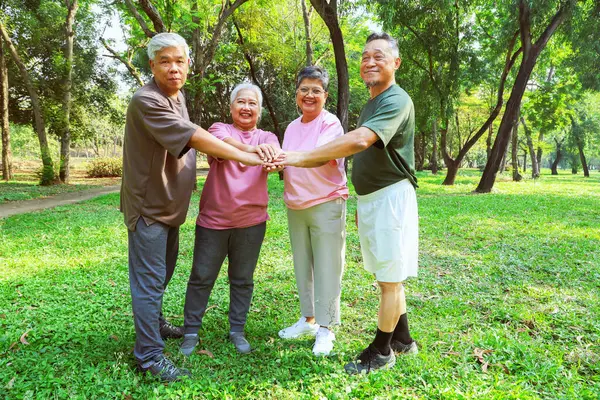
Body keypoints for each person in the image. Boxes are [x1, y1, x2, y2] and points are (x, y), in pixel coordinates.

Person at [121, 33, 264, 382]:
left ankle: (154, 325)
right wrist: (246, 155)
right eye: (165, 61)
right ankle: (149, 356)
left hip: (169, 208)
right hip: (149, 208)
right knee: (150, 282)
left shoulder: (177, 96)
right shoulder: (146, 100)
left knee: (162, 275)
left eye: (179, 61)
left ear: (188, 65)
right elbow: (196, 137)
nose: (173, 69)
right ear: (152, 65)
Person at [275, 32, 419, 374]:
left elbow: (360, 140)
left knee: (390, 278)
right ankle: (403, 338)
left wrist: (298, 156)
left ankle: (382, 351)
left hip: (390, 197)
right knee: (386, 274)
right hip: (373, 198)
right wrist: (362, 201)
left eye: (379, 56)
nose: (369, 61)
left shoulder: (396, 100)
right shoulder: (374, 101)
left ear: (395, 63)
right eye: (366, 56)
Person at [180, 83, 281, 356]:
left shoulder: (268, 136)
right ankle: (190, 331)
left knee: (242, 279)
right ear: (232, 107)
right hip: (214, 220)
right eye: (241, 102)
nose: (246, 107)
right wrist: (255, 152)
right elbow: (224, 146)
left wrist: (268, 154)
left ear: (259, 110)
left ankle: (237, 329)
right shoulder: (218, 129)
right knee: (201, 276)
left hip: (251, 221)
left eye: (252, 104)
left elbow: (275, 157)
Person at [277, 66, 348, 356]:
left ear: (325, 96)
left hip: (326, 203)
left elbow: (318, 157)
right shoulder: (292, 127)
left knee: (328, 267)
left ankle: (326, 328)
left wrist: (283, 157)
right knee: (303, 266)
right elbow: (286, 164)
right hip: (296, 206)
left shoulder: (330, 125)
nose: (309, 95)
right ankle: (308, 320)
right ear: (296, 95)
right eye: (304, 89)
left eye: (316, 90)